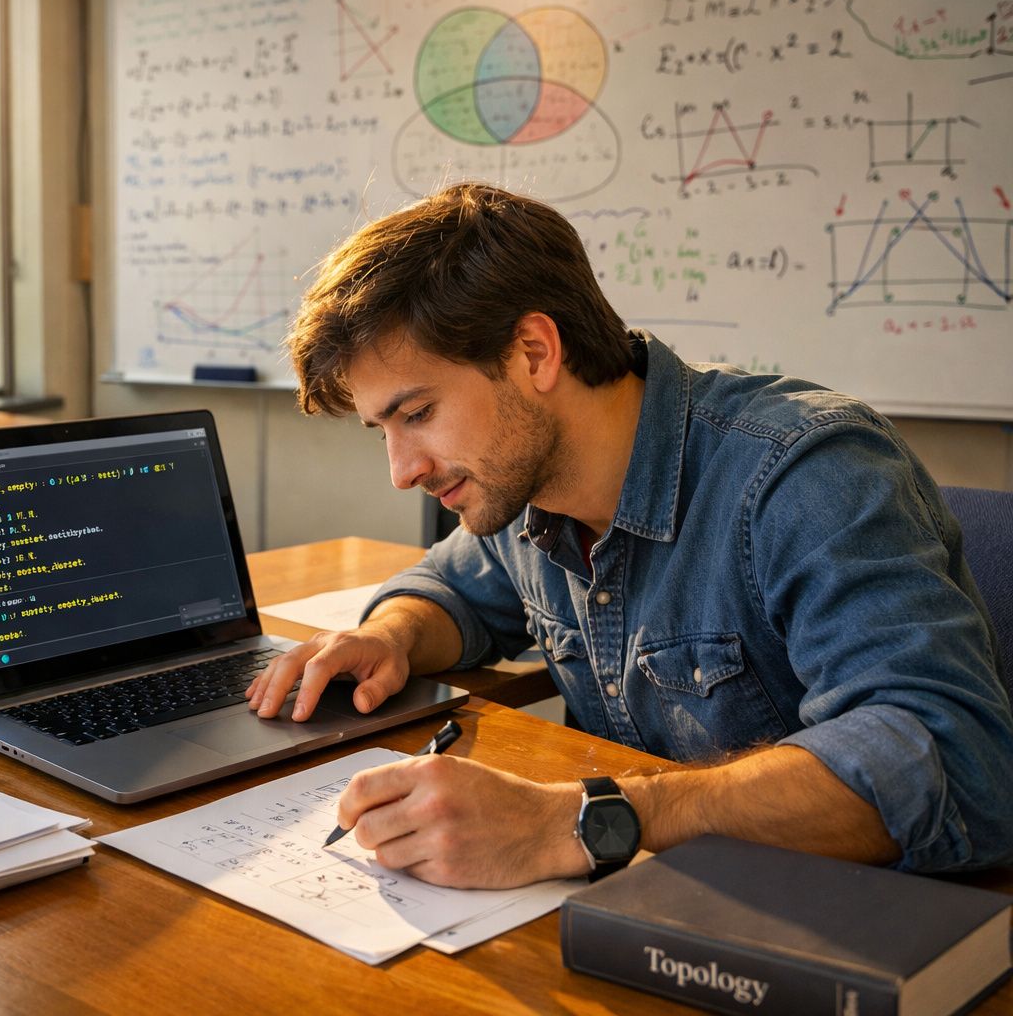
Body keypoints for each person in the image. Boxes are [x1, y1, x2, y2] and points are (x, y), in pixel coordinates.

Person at [246, 181, 1013, 889]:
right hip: (655, 900)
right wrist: (395, 636)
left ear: (535, 353)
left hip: (849, 919)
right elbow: (452, 589)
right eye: (381, 430)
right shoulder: (524, 489)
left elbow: (945, 758)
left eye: (416, 414)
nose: (402, 470)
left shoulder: (804, 474)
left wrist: (573, 820)